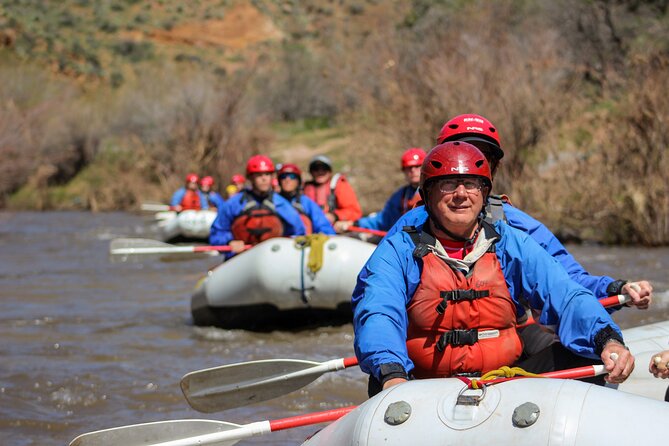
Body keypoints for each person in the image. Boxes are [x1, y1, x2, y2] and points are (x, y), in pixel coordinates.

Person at [352, 141, 635, 397]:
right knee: (381, 382)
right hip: (426, 389)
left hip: (504, 382)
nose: (461, 194)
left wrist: (607, 339)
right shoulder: (399, 249)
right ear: (428, 194)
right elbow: (378, 310)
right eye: (448, 184)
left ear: (484, 192)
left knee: (587, 357)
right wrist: (392, 374)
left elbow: (565, 294)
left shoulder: (509, 242)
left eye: (471, 184)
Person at [386, 114, 652, 312]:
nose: (466, 166)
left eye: (480, 158)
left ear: (492, 168)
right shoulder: (409, 227)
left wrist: (614, 288)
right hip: (430, 346)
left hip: (500, 338)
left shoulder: (512, 222)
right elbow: (381, 297)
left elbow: (567, 278)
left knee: (578, 348)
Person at [209, 155, 305, 255]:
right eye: (259, 175)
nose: (264, 179)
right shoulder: (233, 204)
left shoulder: (282, 204)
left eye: (267, 174)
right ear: (250, 178)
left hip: (273, 255)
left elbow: (298, 232)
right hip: (240, 256)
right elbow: (217, 233)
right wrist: (229, 241)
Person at [338, 148, 426, 232]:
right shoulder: (400, 195)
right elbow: (384, 219)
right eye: (409, 167)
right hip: (411, 237)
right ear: (404, 171)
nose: (413, 170)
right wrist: (356, 223)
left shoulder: (434, 191)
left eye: (417, 166)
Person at [303, 155, 362, 228]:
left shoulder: (339, 185)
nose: (320, 172)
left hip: (335, 231)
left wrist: (334, 216)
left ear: (330, 171)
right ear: (311, 172)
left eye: (324, 169)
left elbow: (354, 212)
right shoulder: (304, 188)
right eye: (316, 169)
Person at [277, 163, 336, 235]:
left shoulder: (306, 202)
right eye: (283, 177)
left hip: (301, 243)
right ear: (279, 181)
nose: (287, 180)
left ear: (298, 181)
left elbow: (322, 225)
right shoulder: (272, 201)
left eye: (292, 176)